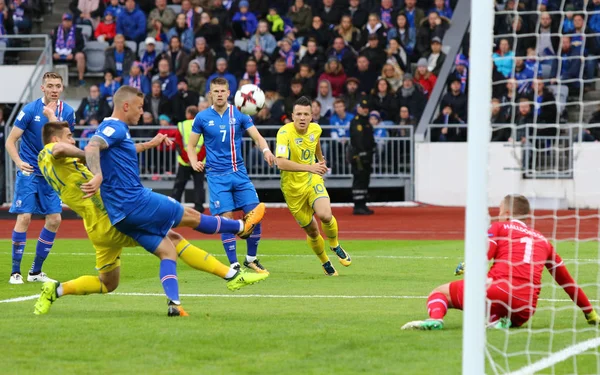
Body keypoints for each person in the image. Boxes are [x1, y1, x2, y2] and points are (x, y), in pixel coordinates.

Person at [34, 121, 268, 315]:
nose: (73, 140)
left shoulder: (56, 163)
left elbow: (111, 155)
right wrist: (88, 154)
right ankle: (239, 235)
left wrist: (148, 144)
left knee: (108, 283)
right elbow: (60, 149)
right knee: (173, 241)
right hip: (114, 216)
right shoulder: (52, 151)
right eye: (69, 136)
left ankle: (56, 290)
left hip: (96, 228)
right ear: (55, 139)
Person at [81, 85, 268, 316]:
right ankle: (242, 226)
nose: (142, 112)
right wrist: (98, 174)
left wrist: (150, 144)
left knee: (168, 250)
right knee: (192, 216)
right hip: (136, 201)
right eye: (139, 107)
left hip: (120, 216)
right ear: (125, 106)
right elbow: (91, 146)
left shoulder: (115, 129)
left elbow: (120, 150)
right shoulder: (114, 127)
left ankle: (175, 304)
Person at [401, 195, 600, 331]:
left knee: (439, 292)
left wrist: (470, 264)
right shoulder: (544, 241)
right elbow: (567, 282)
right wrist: (590, 313)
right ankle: (500, 321)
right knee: (496, 306)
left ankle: (435, 319)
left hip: (497, 291)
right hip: (525, 308)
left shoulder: (500, 226)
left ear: (506, 213)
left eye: (499, 210)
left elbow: (486, 253)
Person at [187, 77, 275, 273]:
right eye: (215, 91)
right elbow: (191, 146)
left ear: (229, 93)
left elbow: (258, 137)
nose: (219, 95)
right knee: (227, 219)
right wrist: (194, 161)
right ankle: (234, 264)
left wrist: (266, 151)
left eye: (222, 91)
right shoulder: (201, 118)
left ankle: (251, 258)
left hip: (239, 173)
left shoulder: (240, 114)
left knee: (255, 214)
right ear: (210, 94)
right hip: (217, 176)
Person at [4, 72, 76, 284]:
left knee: (55, 219)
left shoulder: (68, 112)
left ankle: (35, 272)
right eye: (50, 85)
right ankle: (15, 272)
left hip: (50, 174)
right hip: (29, 172)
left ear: (62, 88)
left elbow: (66, 142)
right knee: (24, 217)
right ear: (42, 88)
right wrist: (18, 162)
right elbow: (10, 140)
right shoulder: (29, 110)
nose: (54, 89)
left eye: (58, 86)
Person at [275, 96, 352, 276]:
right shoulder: (284, 133)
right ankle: (325, 261)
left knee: (325, 215)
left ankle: (335, 245)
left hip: (312, 179)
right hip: (292, 189)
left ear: (312, 117)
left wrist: (320, 160)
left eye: (306, 114)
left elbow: (314, 144)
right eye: (299, 114)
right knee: (312, 230)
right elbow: (280, 163)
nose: (302, 118)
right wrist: (311, 166)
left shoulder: (316, 129)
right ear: (292, 116)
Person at [172, 106, 205, 213]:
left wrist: (188, 159)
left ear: (188, 114)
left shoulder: (181, 125)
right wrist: (195, 160)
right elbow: (207, 145)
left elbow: (178, 144)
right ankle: (199, 209)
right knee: (199, 186)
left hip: (184, 162)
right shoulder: (203, 126)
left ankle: (173, 207)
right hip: (199, 162)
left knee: (179, 186)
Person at [349, 99, 375, 215]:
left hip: (367, 155)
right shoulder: (357, 122)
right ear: (358, 108)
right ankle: (358, 205)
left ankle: (363, 204)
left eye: (366, 108)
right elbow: (358, 140)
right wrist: (362, 154)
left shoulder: (366, 122)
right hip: (359, 156)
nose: (365, 110)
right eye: (363, 107)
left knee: (364, 179)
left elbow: (369, 139)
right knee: (359, 179)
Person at [51, 13, 86, 86]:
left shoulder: (77, 31)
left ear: (71, 22)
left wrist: (73, 53)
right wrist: (54, 52)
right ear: (62, 21)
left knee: (80, 56)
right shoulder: (56, 30)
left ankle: (81, 79)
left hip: (71, 52)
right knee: (45, 57)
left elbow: (81, 45)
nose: (67, 22)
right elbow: (51, 43)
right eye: (65, 21)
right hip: (58, 52)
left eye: (69, 21)